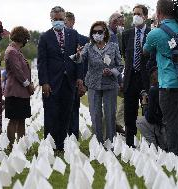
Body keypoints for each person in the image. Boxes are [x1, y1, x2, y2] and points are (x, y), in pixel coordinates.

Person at [143, 0, 178, 159]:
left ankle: (176, 157)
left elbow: (145, 51)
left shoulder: (156, 33)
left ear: (158, 13)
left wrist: (154, 28)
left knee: (169, 121)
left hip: (168, 84)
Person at [37, 6, 84, 151]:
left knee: (66, 113)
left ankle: (62, 145)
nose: (58, 21)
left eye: (60, 19)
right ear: (51, 19)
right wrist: (44, 82)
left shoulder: (73, 34)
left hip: (69, 81)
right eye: (55, 19)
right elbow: (41, 61)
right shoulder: (45, 37)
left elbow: (79, 57)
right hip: (52, 82)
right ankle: (50, 145)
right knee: (51, 113)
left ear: (65, 19)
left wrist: (79, 77)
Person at [77, 21, 123, 143]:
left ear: (105, 33)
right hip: (93, 84)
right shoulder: (88, 47)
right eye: (94, 32)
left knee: (110, 114)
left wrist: (112, 71)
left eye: (99, 32)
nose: (96, 34)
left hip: (110, 84)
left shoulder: (113, 46)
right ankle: (98, 143)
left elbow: (120, 66)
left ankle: (110, 142)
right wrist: (77, 54)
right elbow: (80, 60)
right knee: (95, 115)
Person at [122, 4, 151, 147]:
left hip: (146, 79)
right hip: (130, 78)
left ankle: (149, 143)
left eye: (139, 14)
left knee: (148, 112)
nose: (136, 16)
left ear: (145, 16)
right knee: (129, 113)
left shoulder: (152, 33)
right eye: (134, 14)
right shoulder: (126, 34)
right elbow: (124, 54)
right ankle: (129, 144)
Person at [4, 26, 35, 145]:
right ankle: (11, 145)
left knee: (21, 119)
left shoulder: (17, 51)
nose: (26, 41)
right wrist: (28, 85)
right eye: (26, 38)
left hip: (22, 93)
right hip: (15, 92)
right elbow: (18, 71)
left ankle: (21, 144)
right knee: (14, 120)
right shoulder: (11, 51)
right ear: (22, 38)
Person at [65, 11, 89, 139]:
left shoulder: (83, 40)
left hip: (76, 80)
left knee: (74, 109)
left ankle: (73, 136)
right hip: (62, 80)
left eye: (66, 22)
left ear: (72, 22)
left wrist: (83, 82)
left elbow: (85, 63)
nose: (64, 25)